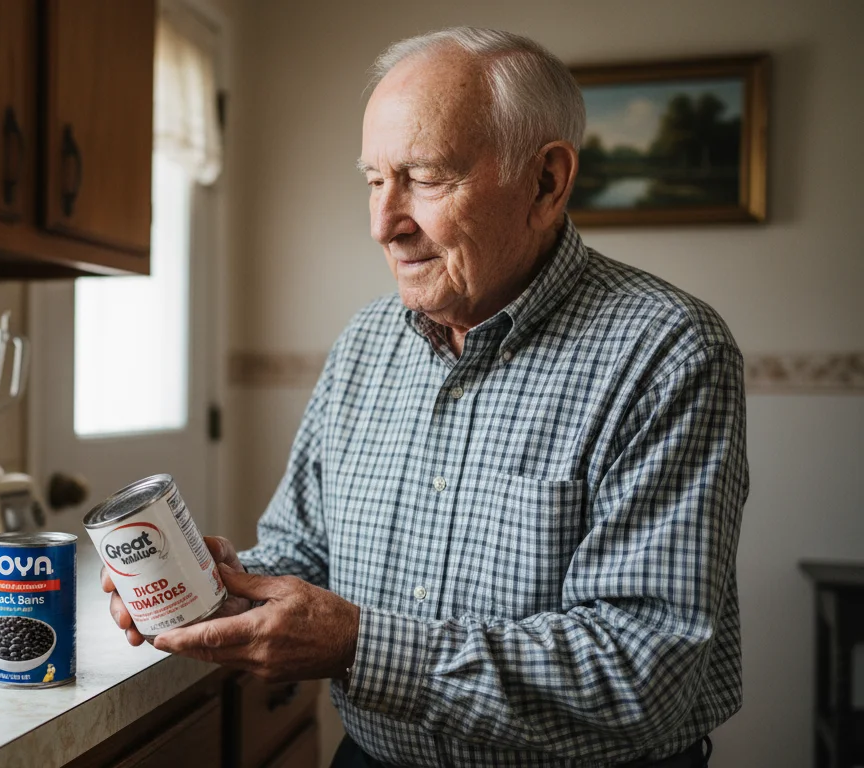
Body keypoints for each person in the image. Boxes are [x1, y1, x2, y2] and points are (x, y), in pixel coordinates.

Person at [103, 26, 746, 768]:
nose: (384, 224)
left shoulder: (666, 350)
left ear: (546, 183)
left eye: (427, 178)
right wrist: (217, 591)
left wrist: (357, 644)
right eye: (374, 180)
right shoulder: (367, 342)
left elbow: (644, 668)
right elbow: (304, 548)